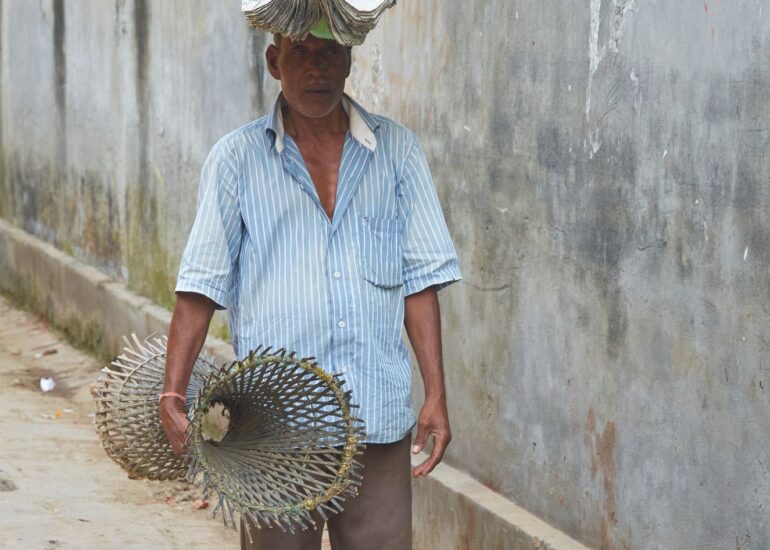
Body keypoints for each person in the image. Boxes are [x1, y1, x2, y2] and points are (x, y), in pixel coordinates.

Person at [159, 18, 461, 550]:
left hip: (377, 420)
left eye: (329, 53)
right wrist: (173, 390)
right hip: (274, 431)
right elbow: (200, 288)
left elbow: (420, 285)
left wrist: (435, 393)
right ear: (275, 63)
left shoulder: (398, 153)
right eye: (300, 52)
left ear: (349, 62)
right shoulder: (236, 160)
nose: (316, 68)